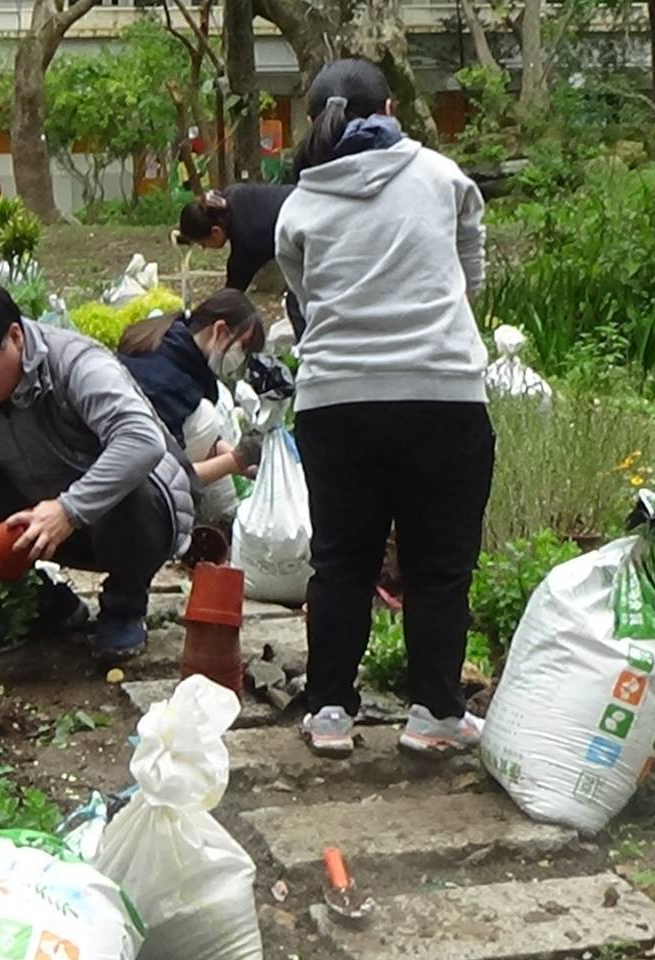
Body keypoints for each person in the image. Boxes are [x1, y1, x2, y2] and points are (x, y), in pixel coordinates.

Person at [274, 59, 492, 758]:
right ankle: (435, 715)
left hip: (337, 402)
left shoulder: (300, 203)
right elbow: (470, 273)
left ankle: (329, 712)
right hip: (442, 394)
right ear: (391, 108)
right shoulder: (442, 176)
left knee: (341, 561)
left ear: (317, 121)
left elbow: (306, 299)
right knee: (439, 566)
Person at [0, 282, 194, 664]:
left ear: (15, 336)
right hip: (43, 516)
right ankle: (42, 602)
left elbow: (143, 442)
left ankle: (124, 607)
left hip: (135, 519)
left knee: (134, 489)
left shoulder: (77, 363)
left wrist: (68, 510)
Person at [116, 288, 265, 521]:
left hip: (112, 449)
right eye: (243, 347)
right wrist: (236, 460)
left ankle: (220, 515)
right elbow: (164, 476)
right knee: (208, 415)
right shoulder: (172, 386)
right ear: (220, 330)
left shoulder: (167, 337)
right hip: (129, 484)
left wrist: (239, 460)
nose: (241, 359)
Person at [177, 186, 305, 338]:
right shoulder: (229, 196)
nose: (204, 248)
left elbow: (232, 291)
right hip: (307, 201)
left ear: (215, 231)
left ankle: (313, 349)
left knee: (298, 304)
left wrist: (200, 321)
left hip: (310, 231)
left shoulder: (247, 240)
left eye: (203, 243)